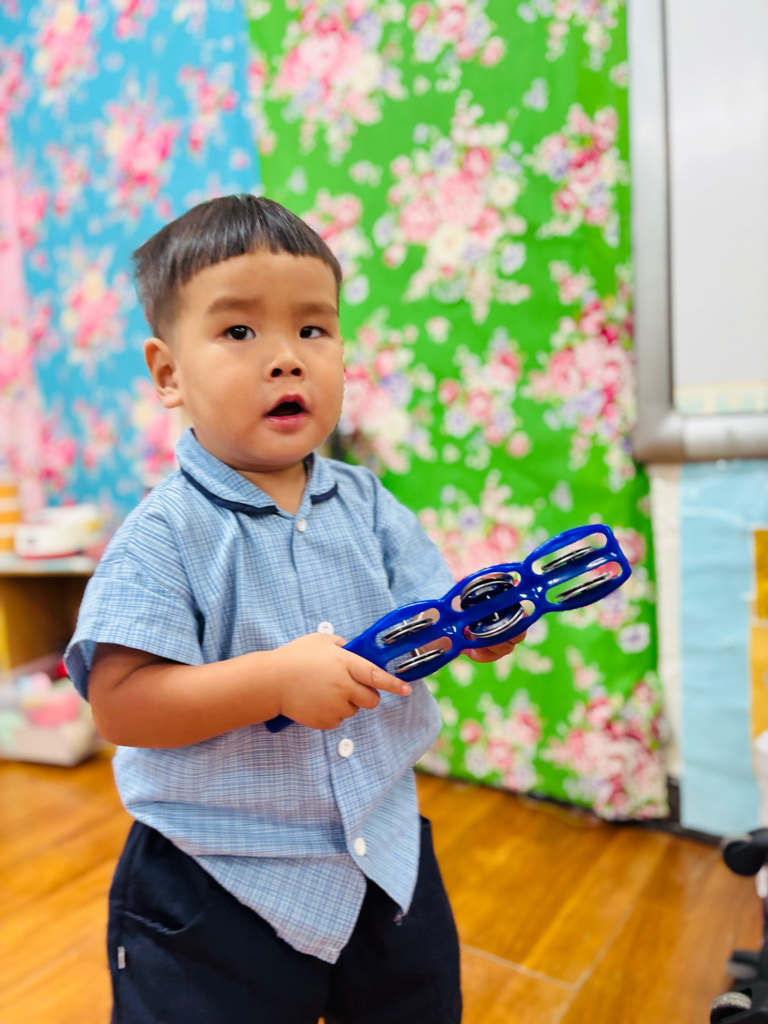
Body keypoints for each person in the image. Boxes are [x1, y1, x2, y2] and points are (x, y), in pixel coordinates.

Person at [65, 194, 526, 1024]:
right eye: (240, 331)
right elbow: (120, 705)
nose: (286, 359)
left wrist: (476, 630)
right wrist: (274, 681)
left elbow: (430, 614)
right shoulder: (163, 535)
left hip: (386, 854)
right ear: (168, 373)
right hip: (215, 882)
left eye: (313, 328)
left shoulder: (369, 503)